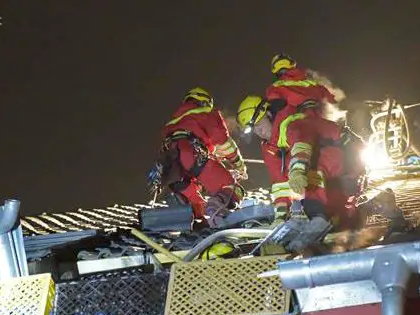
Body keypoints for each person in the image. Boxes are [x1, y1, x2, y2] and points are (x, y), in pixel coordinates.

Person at [237, 95, 354, 230]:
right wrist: (280, 216)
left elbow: (302, 146)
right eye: (254, 129)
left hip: (348, 154)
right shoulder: (269, 147)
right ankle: (328, 219)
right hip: (334, 174)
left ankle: (318, 217)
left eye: (259, 124)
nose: (259, 132)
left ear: (269, 115)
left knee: (309, 174)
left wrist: (297, 171)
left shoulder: (293, 123)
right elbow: (279, 182)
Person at [150, 87, 246, 227]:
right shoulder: (206, 112)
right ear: (205, 102)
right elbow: (222, 141)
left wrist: (212, 156)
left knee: (194, 199)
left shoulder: (173, 123)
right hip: (190, 155)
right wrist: (238, 163)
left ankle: (195, 221)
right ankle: (219, 217)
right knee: (230, 186)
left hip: (170, 168)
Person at [264, 53, 337, 120]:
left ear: (275, 70)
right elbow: (333, 102)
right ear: (292, 64)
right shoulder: (314, 84)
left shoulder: (275, 87)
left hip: (294, 123)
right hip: (322, 121)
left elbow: (275, 106)